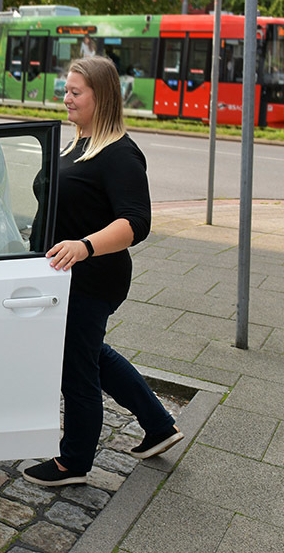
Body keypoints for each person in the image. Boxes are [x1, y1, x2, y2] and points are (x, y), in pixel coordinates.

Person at [23, 56, 182, 487]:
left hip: (91, 279)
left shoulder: (120, 154)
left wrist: (84, 246)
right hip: (62, 272)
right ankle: (159, 424)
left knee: (76, 367)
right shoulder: (79, 141)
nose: (66, 97)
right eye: (67, 89)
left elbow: (135, 222)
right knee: (91, 353)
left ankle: (73, 462)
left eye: (76, 92)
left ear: (102, 97)